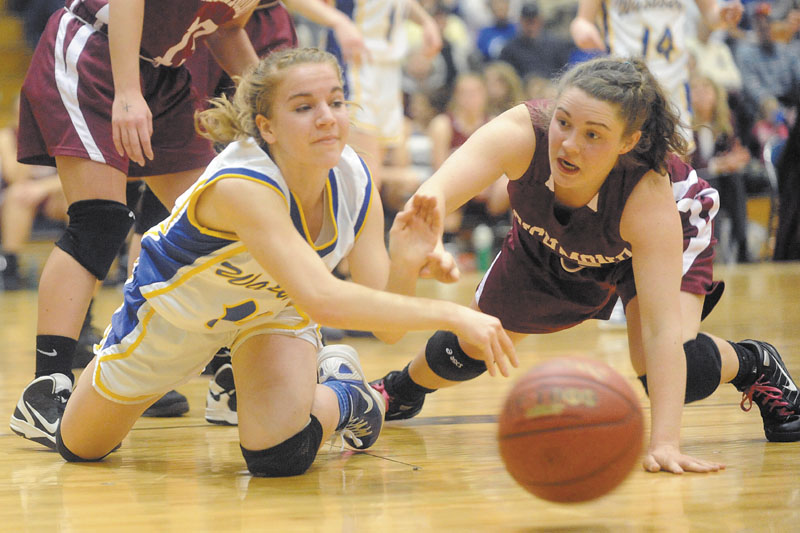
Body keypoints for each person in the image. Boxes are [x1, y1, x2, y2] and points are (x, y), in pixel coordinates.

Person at [52, 48, 515, 477]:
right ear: (266, 127)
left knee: (279, 457)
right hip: (175, 316)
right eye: (304, 107)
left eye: (336, 101)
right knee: (81, 449)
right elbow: (327, 299)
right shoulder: (243, 185)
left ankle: (350, 396)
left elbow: (387, 329)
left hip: (274, 310)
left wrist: (406, 262)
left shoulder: (354, 181)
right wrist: (454, 314)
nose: (328, 119)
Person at [370, 57, 800, 475]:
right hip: (552, 238)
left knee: (667, 366)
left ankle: (753, 363)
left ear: (628, 141)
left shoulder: (649, 200)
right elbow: (429, 203)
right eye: (563, 122)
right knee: (478, 341)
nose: (570, 143)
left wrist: (664, 444)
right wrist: (415, 251)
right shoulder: (519, 134)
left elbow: (661, 330)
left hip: (662, 234)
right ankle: (401, 389)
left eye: (594, 134)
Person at [9, 0, 263, 449]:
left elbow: (225, 31)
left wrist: (274, 104)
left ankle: (231, 375)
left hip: (164, 73)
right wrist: (127, 91)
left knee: (218, 223)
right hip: (99, 51)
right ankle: (45, 389)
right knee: (100, 222)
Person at [570, 0, 744, 148]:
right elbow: (581, 20)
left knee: (678, 159)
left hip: (674, 80)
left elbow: (711, 15)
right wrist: (582, 30)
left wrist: (723, 16)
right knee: (631, 156)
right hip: (627, 83)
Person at [690, 75, 752, 263]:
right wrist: (718, 165)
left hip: (721, 181)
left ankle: (741, 243)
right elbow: (688, 163)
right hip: (693, 181)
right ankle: (712, 246)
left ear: (716, 95)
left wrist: (737, 158)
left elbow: (733, 152)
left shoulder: (726, 121)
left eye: (706, 90)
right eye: (696, 90)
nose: (702, 95)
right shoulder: (685, 123)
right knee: (713, 181)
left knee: (734, 179)